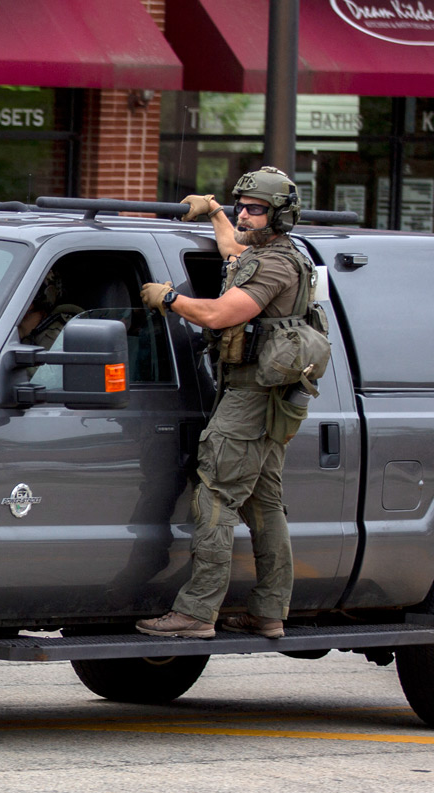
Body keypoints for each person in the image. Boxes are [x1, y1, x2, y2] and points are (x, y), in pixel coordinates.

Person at [136, 166, 309, 640]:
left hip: (251, 400)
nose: (244, 216)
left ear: (279, 218)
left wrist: (169, 298)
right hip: (267, 400)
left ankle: (196, 612)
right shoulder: (269, 252)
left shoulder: (276, 263)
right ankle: (270, 611)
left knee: (214, 497)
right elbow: (234, 250)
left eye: (255, 210)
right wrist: (213, 211)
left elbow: (218, 314)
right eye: (241, 207)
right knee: (264, 503)